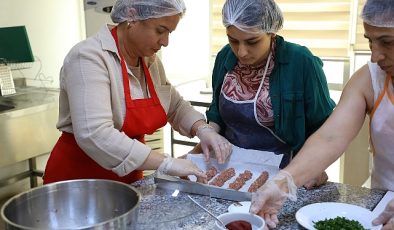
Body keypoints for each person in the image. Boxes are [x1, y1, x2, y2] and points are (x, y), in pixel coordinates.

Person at [43, 0, 232, 185]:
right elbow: (95, 133)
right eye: (160, 30)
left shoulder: (150, 61)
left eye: (169, 32)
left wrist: (203, 129)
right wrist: (166, 162)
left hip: (129, 179)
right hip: (81, 180)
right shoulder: (88, 58)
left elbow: (175, 106)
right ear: (132, 17)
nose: (165, 42)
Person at [249, 0, 394, 229]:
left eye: (387, 42)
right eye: (370, 42)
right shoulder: (369, 79)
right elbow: (330, 137)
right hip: (383, 205)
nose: (375, 56)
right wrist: (282, 183)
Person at [194, 0, 335, 188]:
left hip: (285, 172)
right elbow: (217, 113)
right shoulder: (225, 57)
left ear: (272, 32)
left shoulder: (301, 62)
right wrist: (209, 135)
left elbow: (325, 127)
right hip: (230, 168)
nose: (241, 52)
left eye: (252, 41)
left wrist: (313, 168)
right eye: (233, 40)